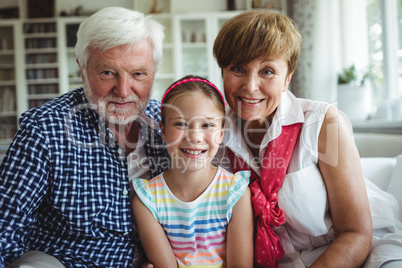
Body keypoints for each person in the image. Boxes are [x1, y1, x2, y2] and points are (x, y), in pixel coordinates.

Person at [213, 9, 402, 268]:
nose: (250, 85)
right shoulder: (212, 136)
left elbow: (356, 233)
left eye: (267, 71)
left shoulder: (323, 122)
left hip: (356, 254)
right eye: (238, 69)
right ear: (222, 72)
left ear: (287, 78)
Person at [0, 7, 170, 267]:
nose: (123, 91)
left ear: (154, 71)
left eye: (138, 74)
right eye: (107, 73)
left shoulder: (171, 125)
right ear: (82, 68)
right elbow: (5, 229)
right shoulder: (44, 130)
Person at [131, 75, 254, 267]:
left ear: (221, 134)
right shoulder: (147, 199)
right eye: (180, 124)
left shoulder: (235, 192)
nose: (195, 137)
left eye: (207, 125)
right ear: (163, 131)